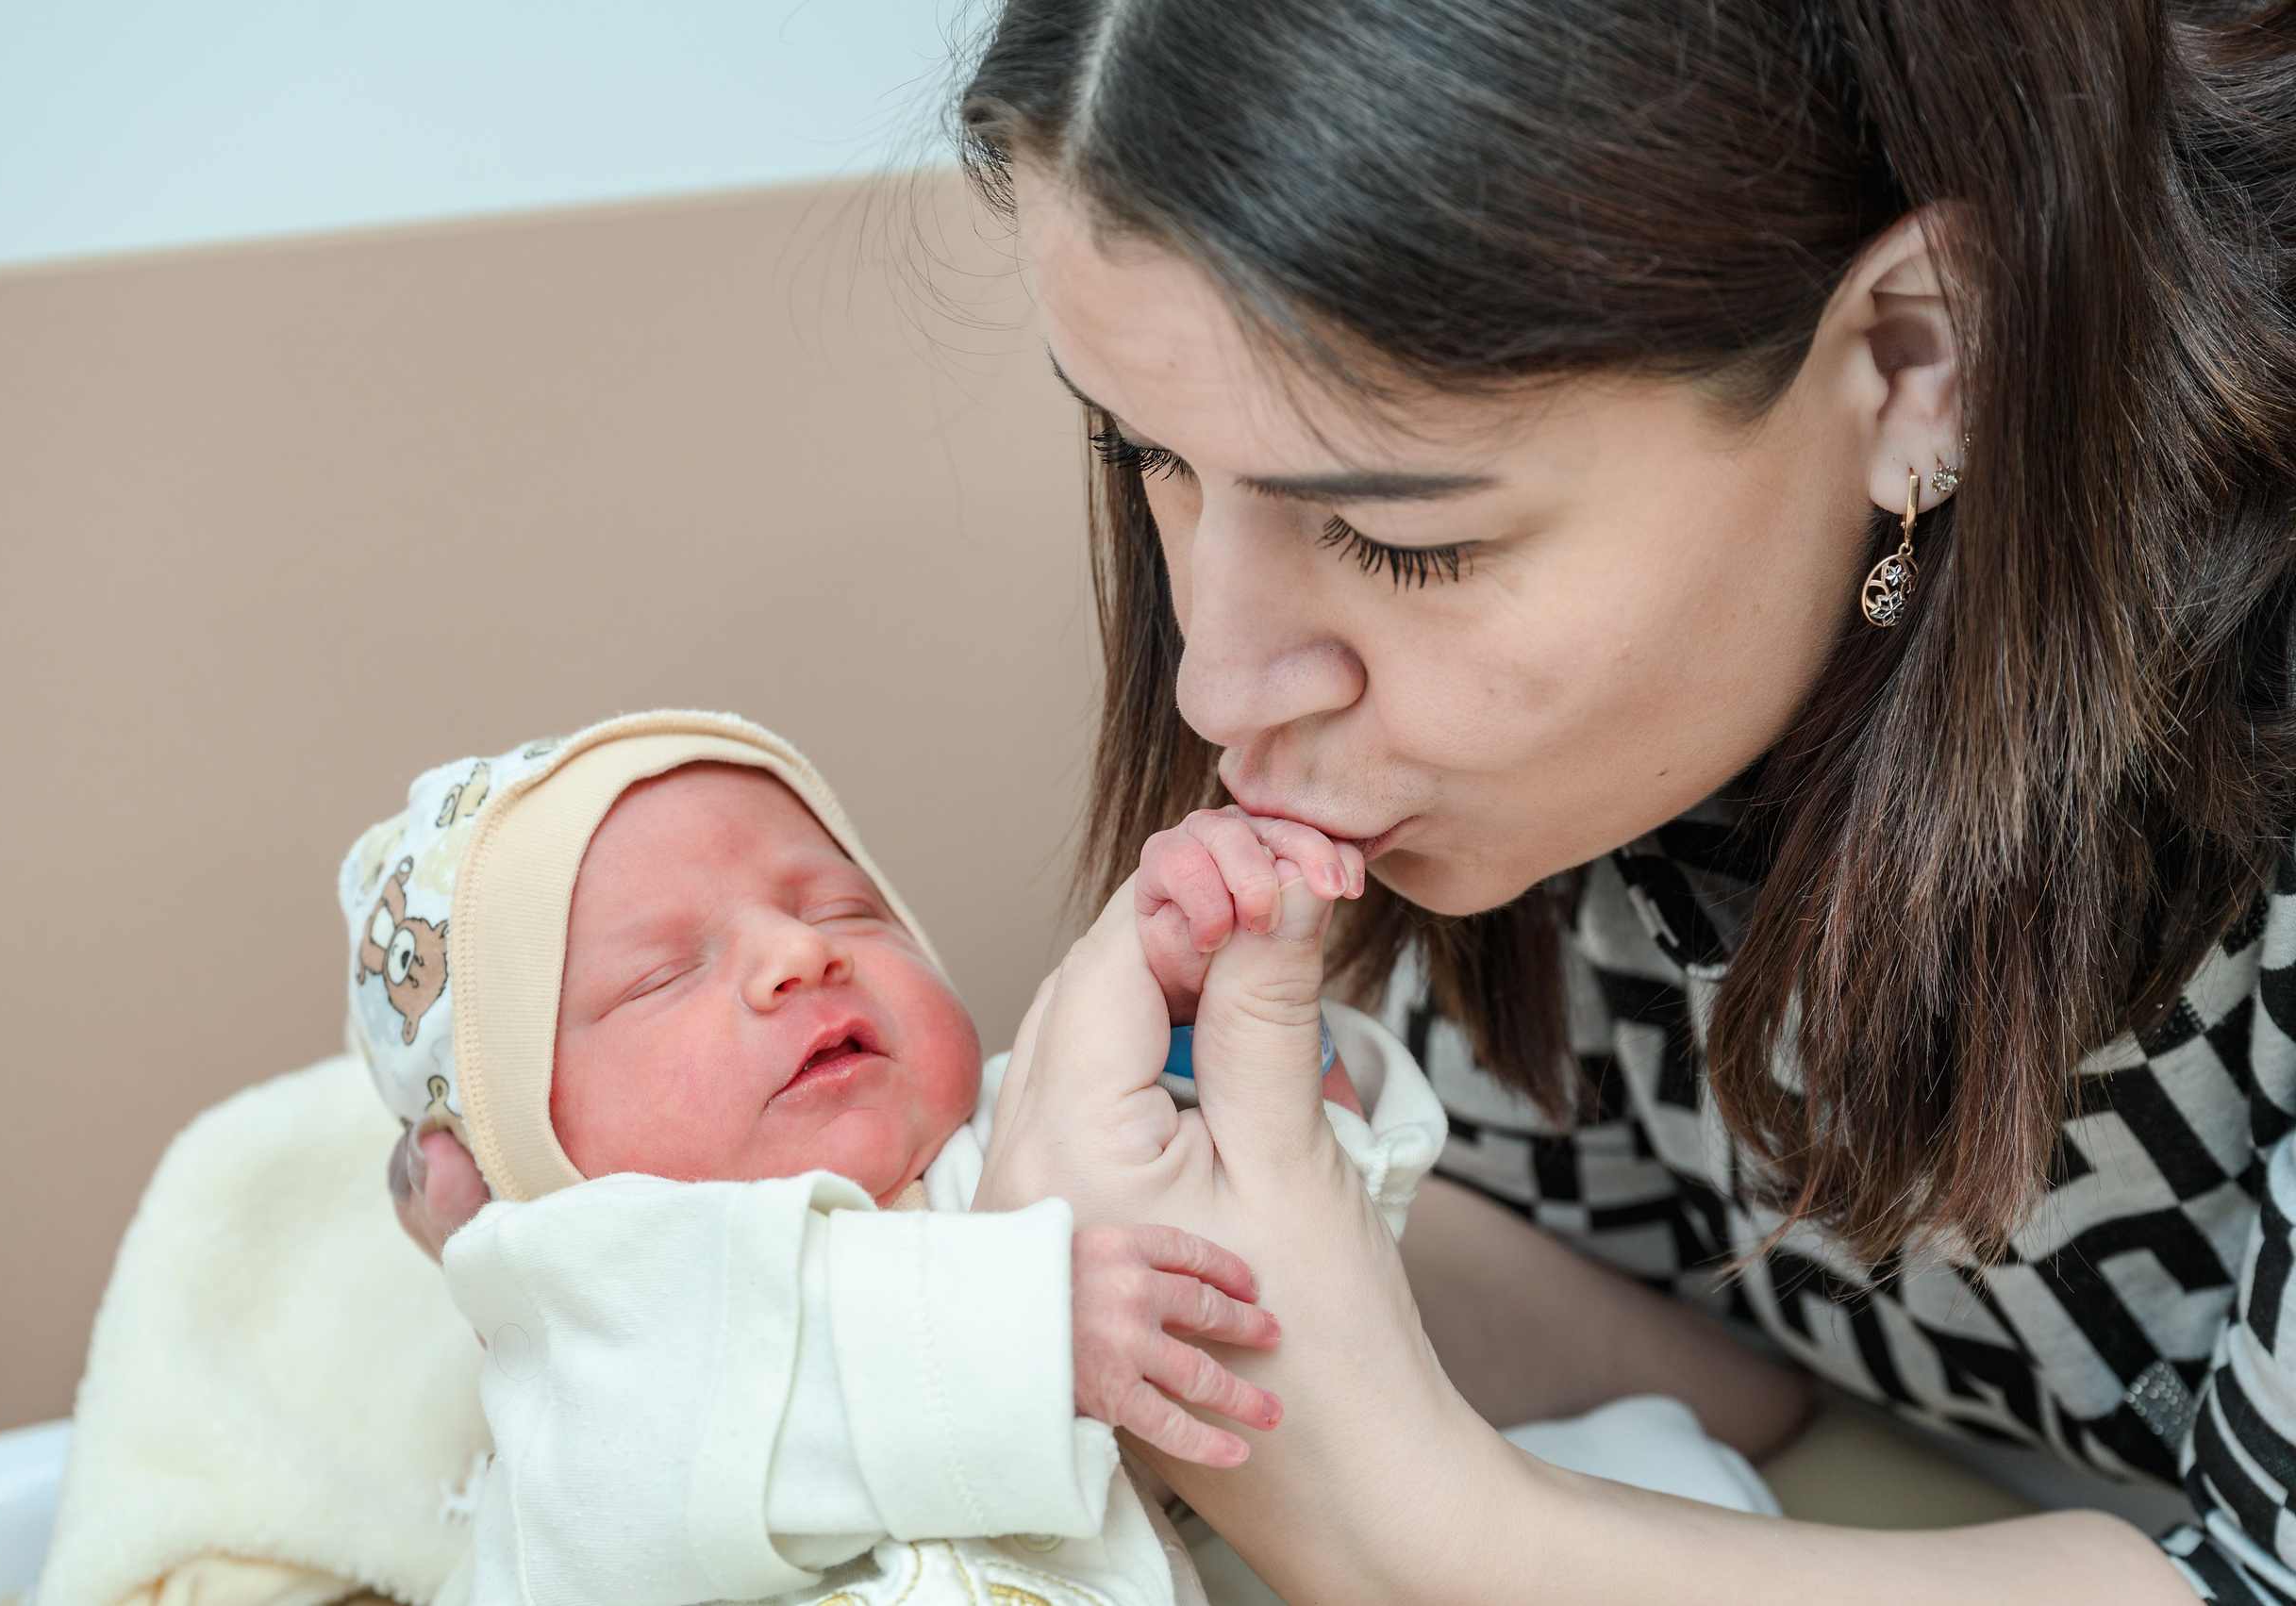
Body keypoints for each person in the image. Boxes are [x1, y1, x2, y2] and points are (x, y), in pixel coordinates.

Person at [953, 0, 2296, 1601]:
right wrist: (1023, 1271)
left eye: (1406, 543)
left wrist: (1420, 1531)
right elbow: (1684, 1321)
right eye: (1140, 450)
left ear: (1923, 357)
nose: (1218, 685)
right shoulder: (1592, 746)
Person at [347, 709, 1447, 1606]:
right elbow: (655, 1455)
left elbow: (1283, 1306)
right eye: (660, 973)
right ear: (523, 1152)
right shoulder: (586, 1314)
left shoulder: (1016, 1149)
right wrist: (1022, 1332)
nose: (797, 950)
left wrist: (1244, 1020)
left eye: (842, 905)